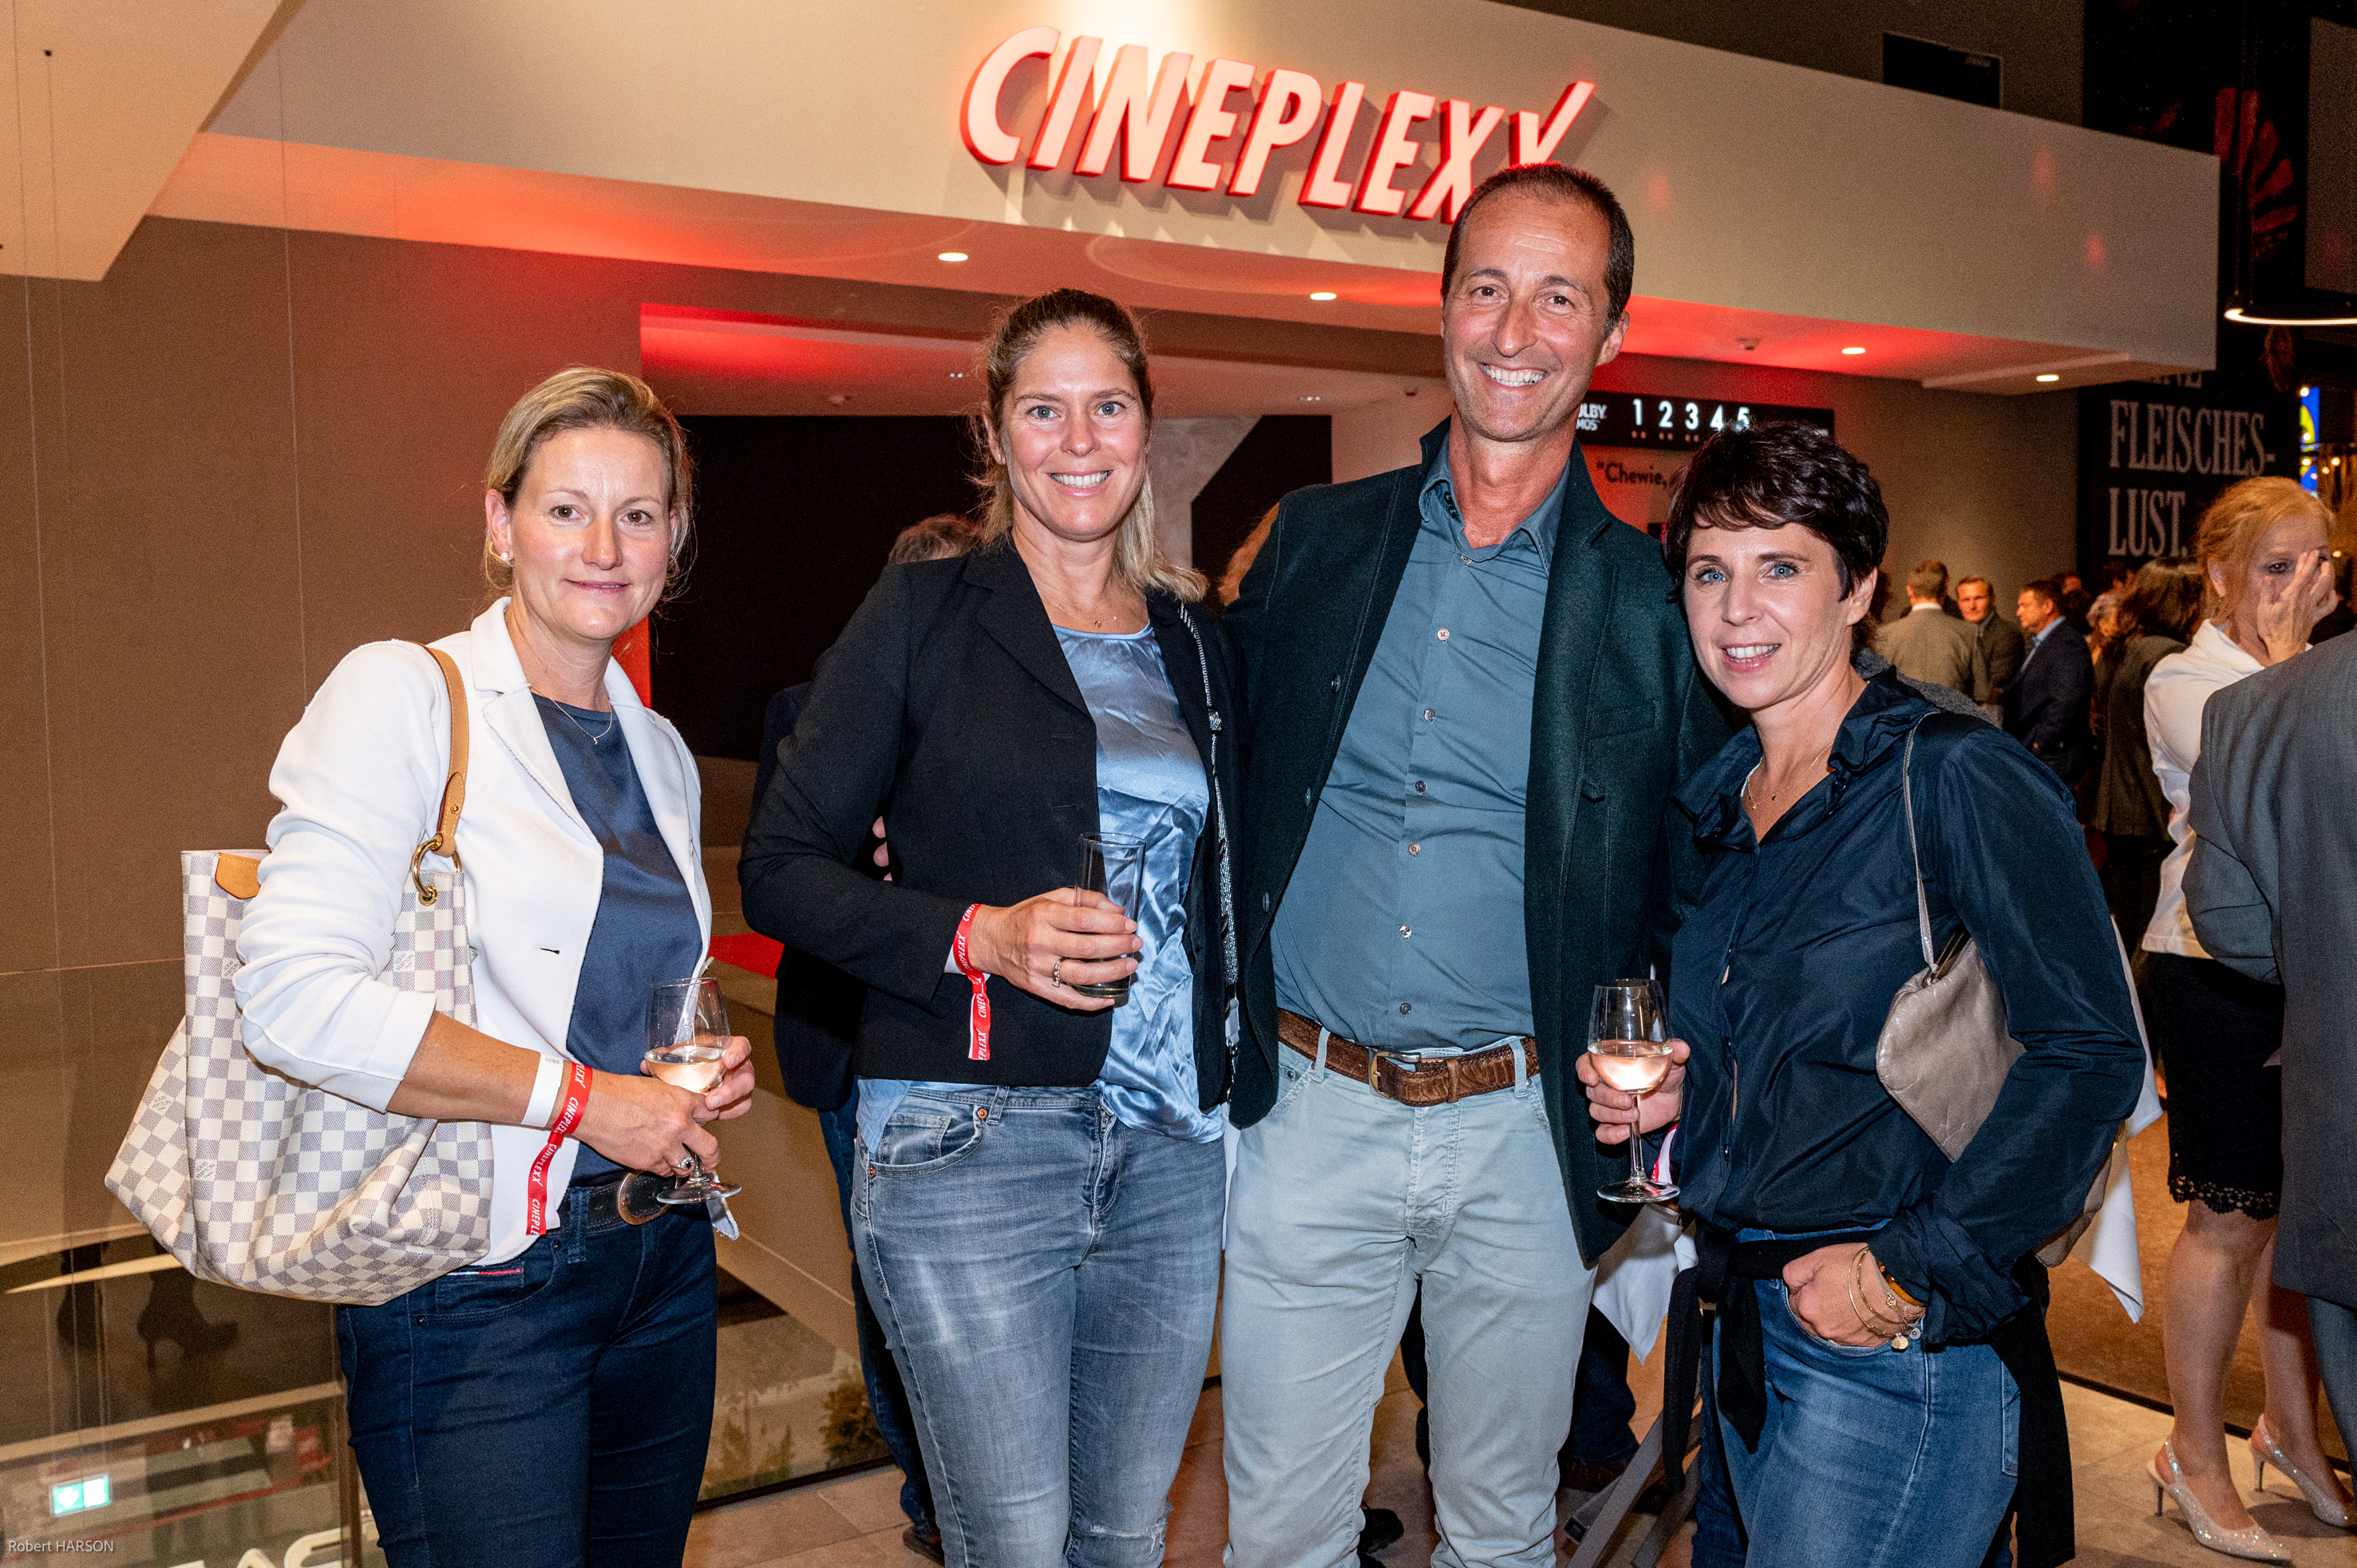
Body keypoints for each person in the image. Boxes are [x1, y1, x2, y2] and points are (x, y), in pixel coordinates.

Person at [1221, 161, 1730, 1568]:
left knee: (1502, 1532)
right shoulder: (1314, 542)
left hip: (1521, 1129)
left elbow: (1703, 873)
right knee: (1278, 1535)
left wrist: (1685, 1047)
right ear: (1440, 307)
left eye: (1556, 298)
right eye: (1486, 289)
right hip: (1306, 1111)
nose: (1513, 333)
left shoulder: (1653, 603)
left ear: (1610, 331)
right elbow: (1201, 747)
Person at [1580, 421, 2142, 1568]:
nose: (1738, 609)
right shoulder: (1728, 799)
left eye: (1779, 567)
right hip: (1751, 1319)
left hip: (1893, 1348)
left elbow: (2090, 1054)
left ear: (1858, 588)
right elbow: (1809, 1046)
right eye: (1708, 572)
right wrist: (1686, 1104)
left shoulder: (1954, 772)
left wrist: (1898, 1275)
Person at [739, 288, 1244, 1566]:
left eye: (1107, 406)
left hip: (1172, 1149)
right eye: (1044, 410)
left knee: (1123, 1538)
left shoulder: (1196, 639)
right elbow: (781, 869)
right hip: (971, 1141)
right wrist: (979, 935)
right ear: (996, 434)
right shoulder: (921, 613)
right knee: (1011, 1540)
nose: (1078, 440)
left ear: (1146, 427)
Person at [234, 368, 758, 1566]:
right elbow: (290, 998)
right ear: (500, 521)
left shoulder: (658, 747)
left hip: (658, 1255)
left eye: (638, 514)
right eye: (566, 508)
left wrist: (686, 1072)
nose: (603, 547)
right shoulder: (404, 695)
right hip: (472, 1276)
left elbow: (611, 989)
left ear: (673, 541)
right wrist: (587, 1100)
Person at [749, 511, 979, 1564]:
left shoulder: (1023, 722)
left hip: (986, 1056)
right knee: (891, 1290)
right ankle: (933, 1503)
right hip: (853, 1050)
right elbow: (781, 877)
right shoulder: (807, 712)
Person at [2138, 476, 2347, 1559]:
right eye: (2277, 565)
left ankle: (2291, 1428)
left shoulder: (2315, 669)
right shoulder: (2188, 678)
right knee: (2227, 1219)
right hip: (2207, 967)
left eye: (2318, 564)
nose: (2302, 586)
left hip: (2309, 967)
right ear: (2218, 574)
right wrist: (2291, 651)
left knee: (2299, 1214)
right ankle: (2192, 1450)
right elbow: (2279, 776)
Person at [2185, 624, 2357, 1538]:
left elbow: (2236, 924)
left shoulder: (2261, 707)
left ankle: (2287, 1436)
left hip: (2337, 1104)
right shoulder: (2224, 693)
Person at [2089, 558, 2202, 950]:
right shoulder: (2167, 656)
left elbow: (2102, 726)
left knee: (2129, 929)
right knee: (2152, 939)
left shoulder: (2119, 649)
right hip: (2152, 810)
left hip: (2117, 806)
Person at [2006, 578, 2093, 784]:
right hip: (2040, 751)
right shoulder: (2043, 642)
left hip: (2054, 755)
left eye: (2025, 606)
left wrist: (2041, 742)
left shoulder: (2066, 642)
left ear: (2047, 607)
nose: (2018, 612)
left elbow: (2067, 699)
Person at [1873, 558, 1987, 699]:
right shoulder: (1969, 633)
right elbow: (1982, 693)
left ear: (1909, 591)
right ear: (1944, 591)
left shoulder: (1884, 635)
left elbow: (1877, 690)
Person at [1956, 575, 2024, 725]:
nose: (1972, 606)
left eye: (1978, 598)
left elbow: (1994, 682)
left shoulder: (2007, 633)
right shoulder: (1954, 634)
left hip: (1995, 721)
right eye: (1966, 600)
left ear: (1992, 600)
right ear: (1959, 603)